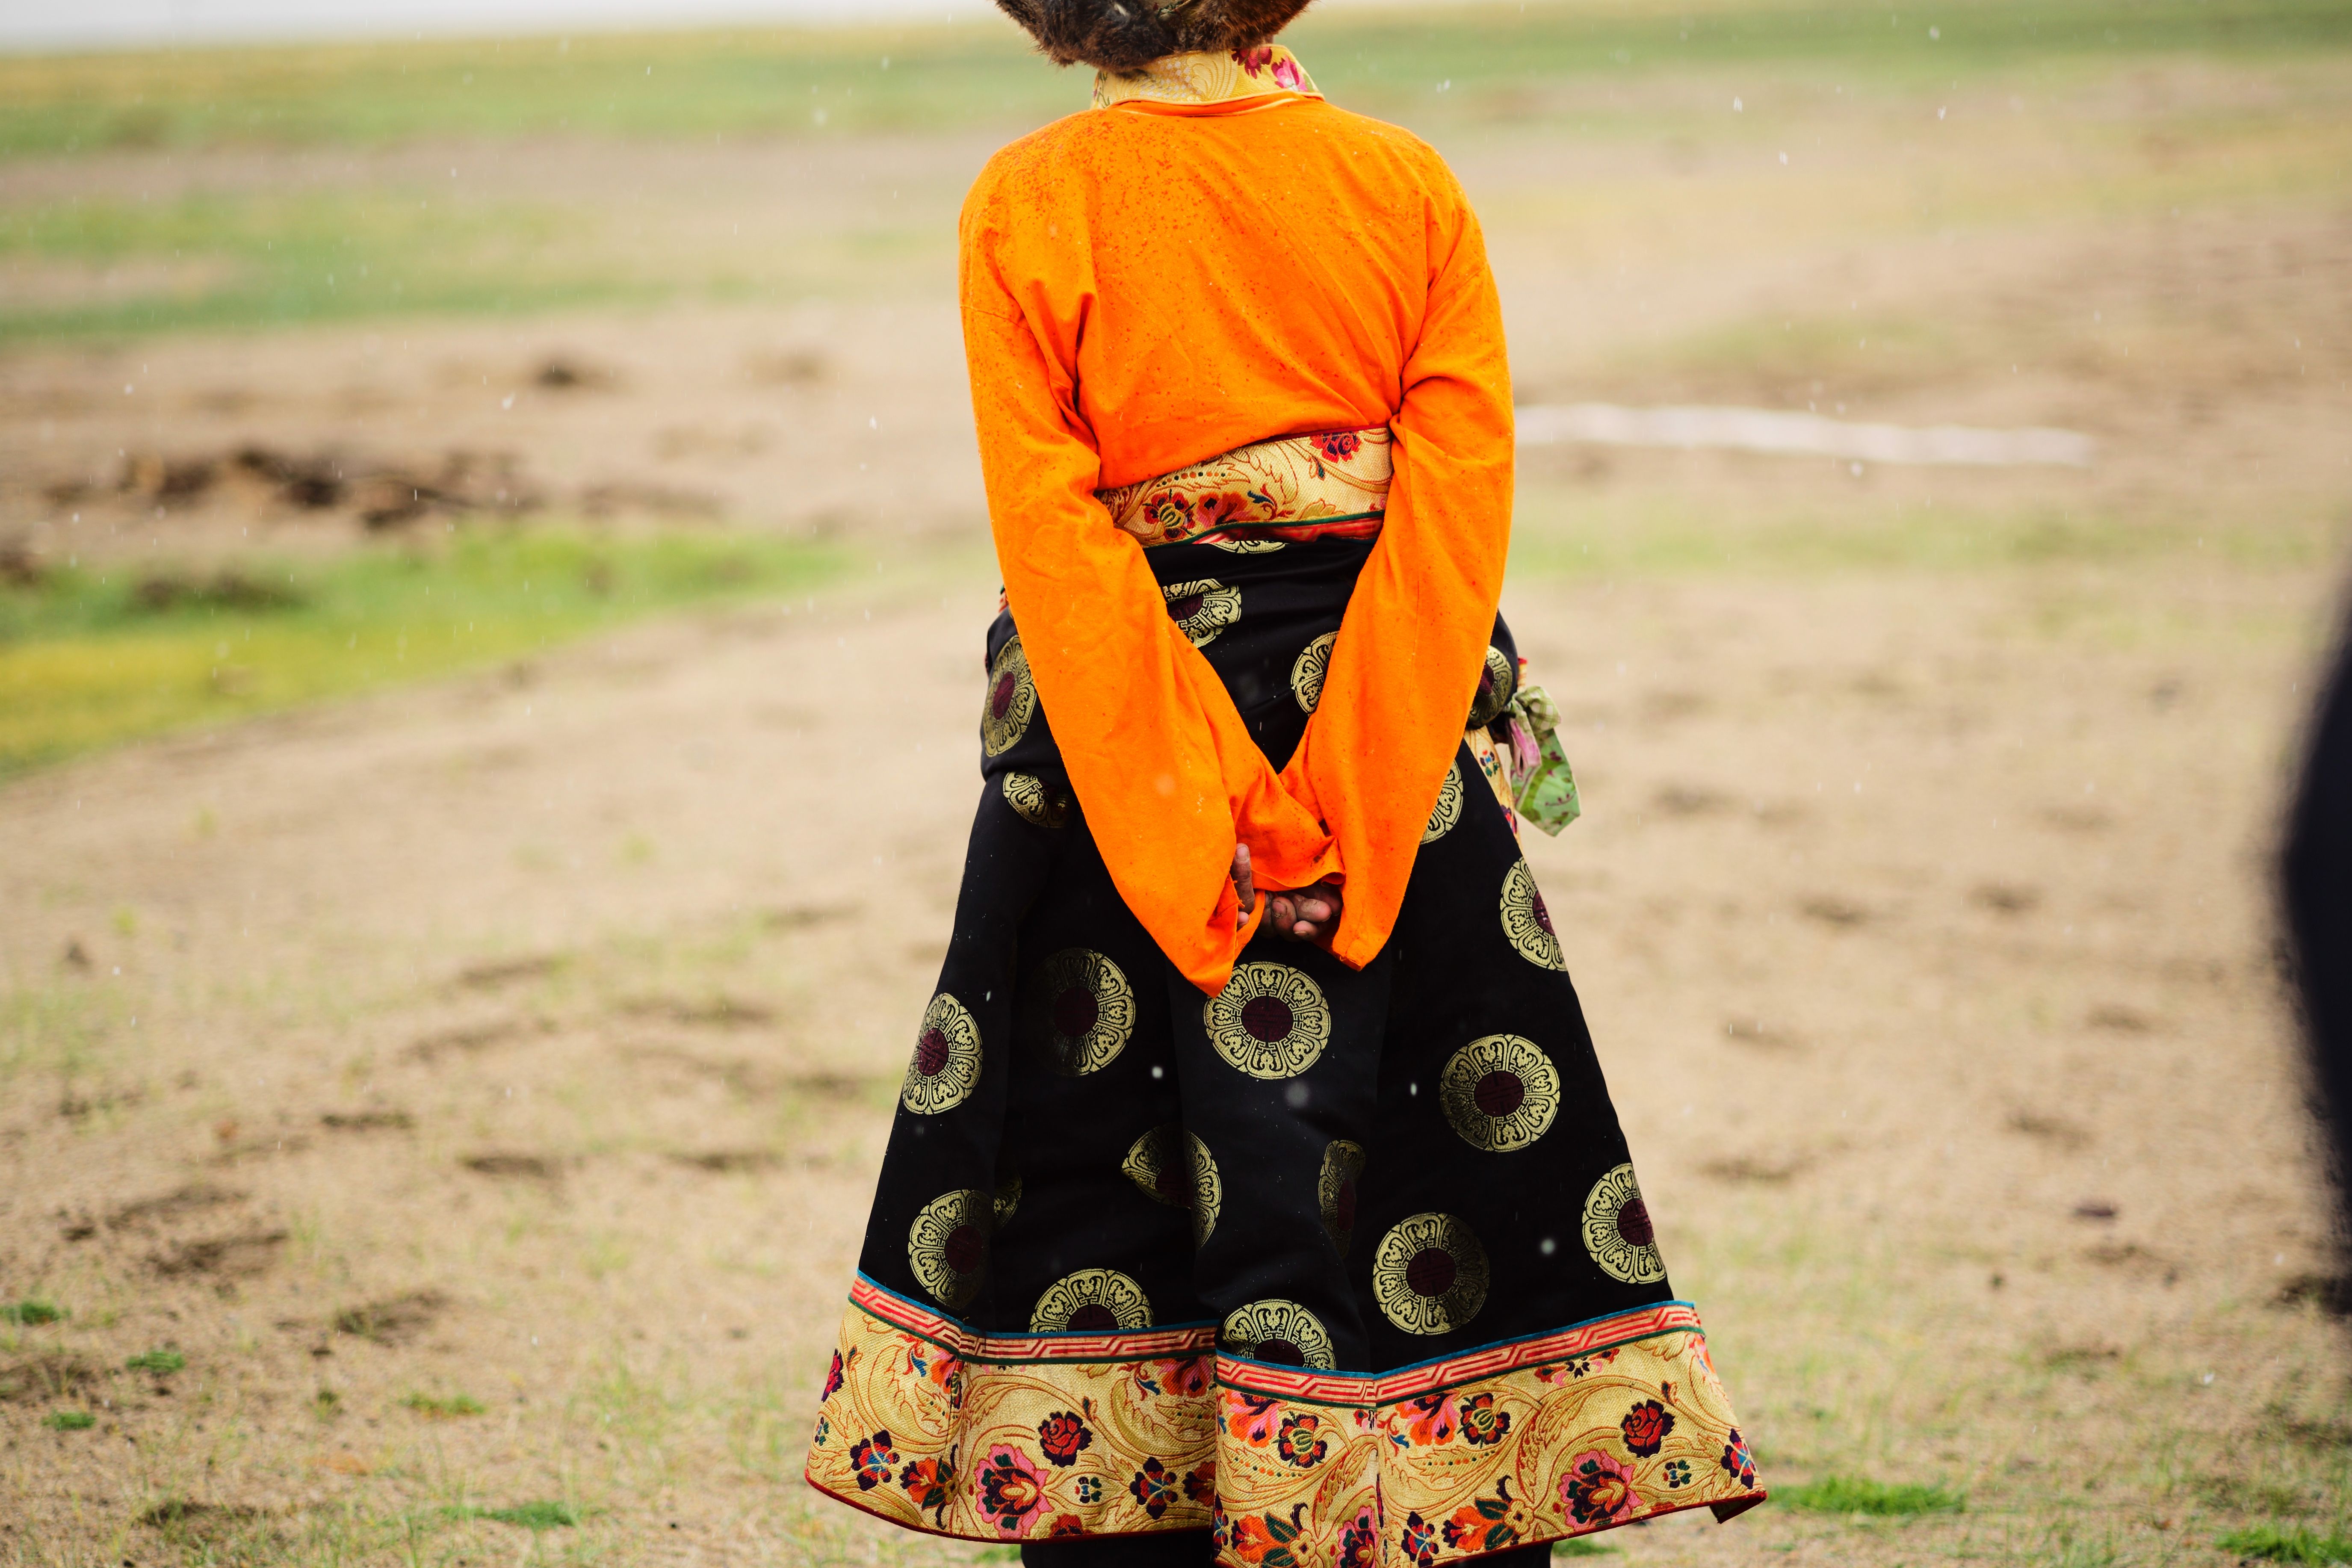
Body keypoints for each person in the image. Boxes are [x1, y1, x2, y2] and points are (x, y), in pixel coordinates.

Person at [801, 1, 1767, 1560]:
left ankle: (1143, 1488)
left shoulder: (1025, 200)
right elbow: (1452, 521)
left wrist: (1208, 821)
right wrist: (1354, 810)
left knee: (1106, 1197)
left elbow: (1057, 543)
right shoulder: (1401, 182)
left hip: (1114, 769)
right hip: (1391, 739)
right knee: (1431, 1179)